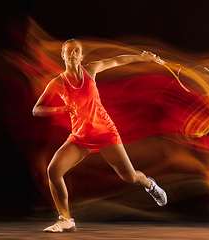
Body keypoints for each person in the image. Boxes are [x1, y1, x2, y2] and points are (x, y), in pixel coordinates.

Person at [32, 39, 167, 233]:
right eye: (68, 51)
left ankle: (149, 184)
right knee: (53, 171)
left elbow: (117, 61)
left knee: (129, 177)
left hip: (105, 133)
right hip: (80, 137)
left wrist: (141, 57)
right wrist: (60, 108)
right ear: (63, 55)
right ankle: (66, 219)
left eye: (76, 51)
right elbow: (37, 110)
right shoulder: (58, 82)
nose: (72, 54)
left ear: (81, 55)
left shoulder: (91, 70)